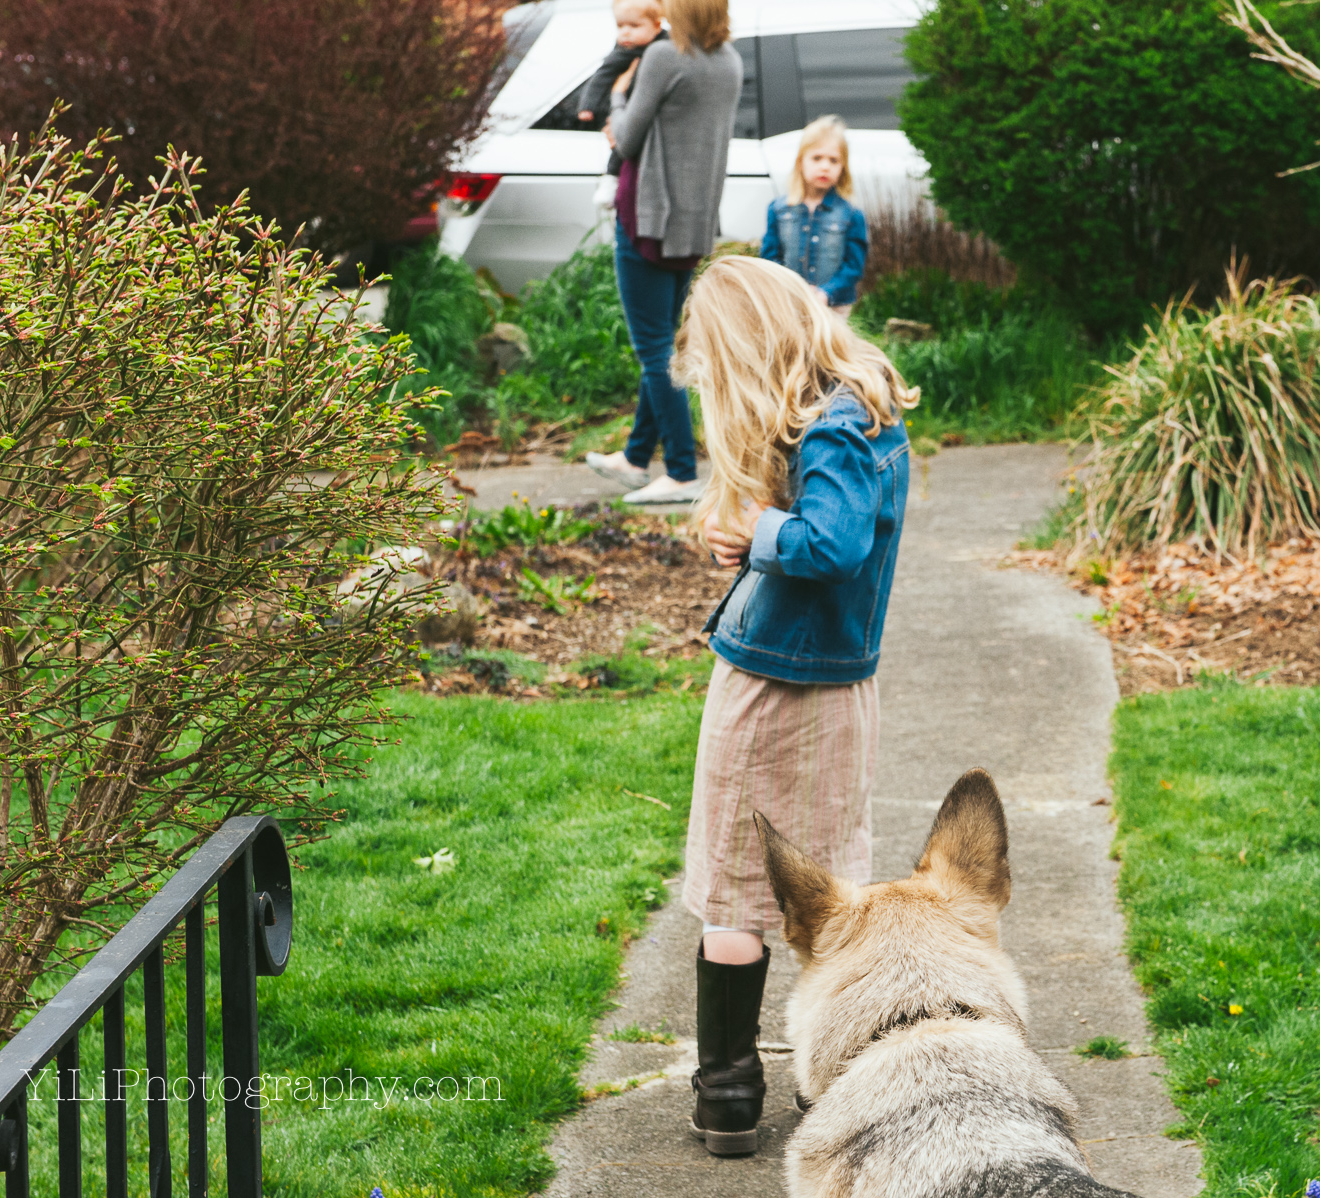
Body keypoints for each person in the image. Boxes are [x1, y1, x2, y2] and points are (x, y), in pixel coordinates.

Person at [670, 255, 918, 1156]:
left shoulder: (832, 427)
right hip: (837, 688)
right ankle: (836, 1074)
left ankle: (729, 1093)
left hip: (775, 691)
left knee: (738, 893)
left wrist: (757, 532)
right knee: (827, 887)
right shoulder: (862, 410)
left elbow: (836, 543)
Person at [584, 0, 741, 505]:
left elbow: (627, 139)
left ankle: (680, 470)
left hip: (648, 218)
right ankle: (635, 457)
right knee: (666, 345)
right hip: (694, 224)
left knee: (655, 350)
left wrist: (616, 99)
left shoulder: (664, 57)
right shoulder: (730, 61)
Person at [759, 116, 869, 320]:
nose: (825, 166)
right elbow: (769, 258)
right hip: (788, 304)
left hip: (833, 308)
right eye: (817, 158)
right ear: (801, 162)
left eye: (833, 160)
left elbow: (854, 266)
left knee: (826, 351)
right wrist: (792, 288)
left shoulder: (852, 214)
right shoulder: (779, 210)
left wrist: (825, 292)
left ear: (842, 167)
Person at [574, 0, 668, 210]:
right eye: (620, 26)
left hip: (647, 116)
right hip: (625, 112)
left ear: (657, 25)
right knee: (620, 146)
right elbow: (602, 76)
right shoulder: (623, 52)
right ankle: (610, 180)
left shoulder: (667, 46)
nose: (625, 33)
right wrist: (587, 105)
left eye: (634, 26)